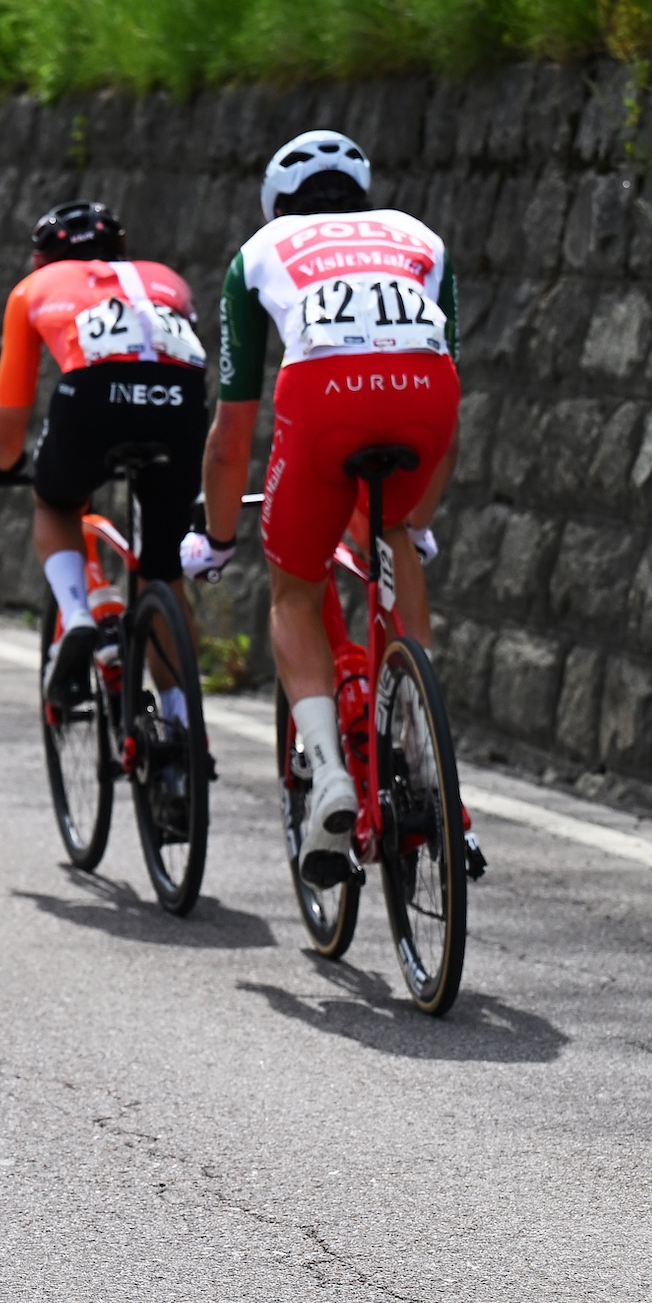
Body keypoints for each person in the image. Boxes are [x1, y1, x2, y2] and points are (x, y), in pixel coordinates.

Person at [185, 130, 459, 886]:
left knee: (295, 590)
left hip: (324, 403)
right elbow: (452, 411)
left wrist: (216, 539)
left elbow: (231, 433)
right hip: (424, 399)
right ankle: (426, 742)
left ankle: (330, 775)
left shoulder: (261, 250)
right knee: (396, 530)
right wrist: (422, 519)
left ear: (280, 205)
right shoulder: (420, 237)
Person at [0, 201, 211, 728]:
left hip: (95, 397)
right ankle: (183, 729)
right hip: (182, 403)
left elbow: (10, 418)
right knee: (162, 569)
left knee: (55, 502)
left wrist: (0, 465)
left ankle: (77, 615)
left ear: (42, 259)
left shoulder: (34, 289)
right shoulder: (166, 279)